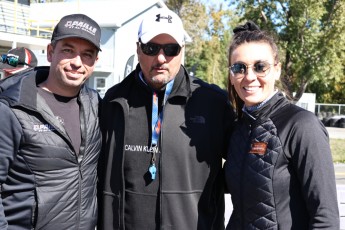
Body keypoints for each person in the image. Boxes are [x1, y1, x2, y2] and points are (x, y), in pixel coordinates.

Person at [98, 7, 235, 230]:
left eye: (170, 49)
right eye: (151, 48)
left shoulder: (213, 103)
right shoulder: (114, 101)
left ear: (182, 51)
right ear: (138, 49)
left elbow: (245, 170)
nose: (161, 58)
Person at [224, 21, 339, 229]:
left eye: (260, 67)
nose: (249, 77)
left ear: (276, 70)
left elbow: (325, 216)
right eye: (239, 68)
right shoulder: (237, 129)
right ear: (232, 75)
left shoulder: (302, 126)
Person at [0, 13, 102, 229]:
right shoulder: (13, 109)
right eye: (68, 50)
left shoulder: (96, 105)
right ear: (50, 52)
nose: (77, 62)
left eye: (87, 54)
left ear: (95, 61)